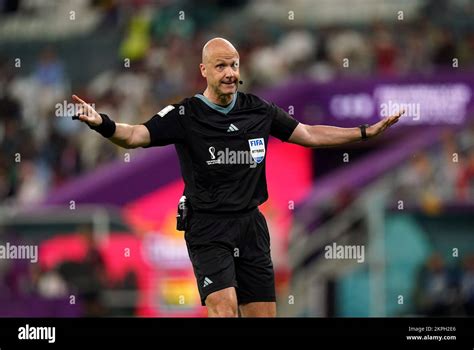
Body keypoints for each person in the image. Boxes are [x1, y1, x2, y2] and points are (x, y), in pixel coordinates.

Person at [72, 38, 403, 317]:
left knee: (263, 314)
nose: (230, 73)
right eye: (220, 66)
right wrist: (102, 122)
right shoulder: (185, 114)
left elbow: (311, 134)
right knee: (224, 307)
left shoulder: (257, 110)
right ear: (204, 71)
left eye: (233, 65)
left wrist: (363, 132)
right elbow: (134, 136)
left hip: (251, 226)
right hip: (208, 227)